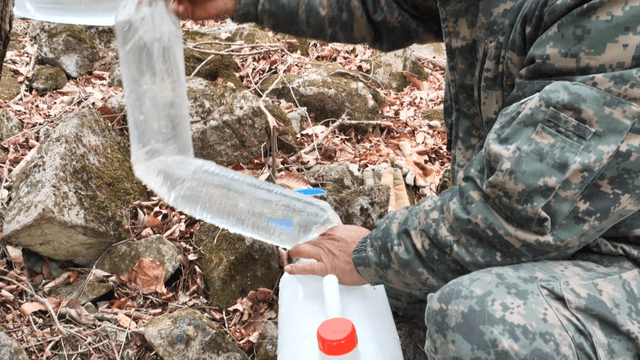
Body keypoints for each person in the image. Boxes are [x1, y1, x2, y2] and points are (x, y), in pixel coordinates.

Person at [172, 0, 640, 358]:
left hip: (618, 256)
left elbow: (515, 214)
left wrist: (367, 254)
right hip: (554, 229)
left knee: (479, 317)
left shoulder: (611, 13)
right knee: (387, 288)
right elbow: (380, 5)